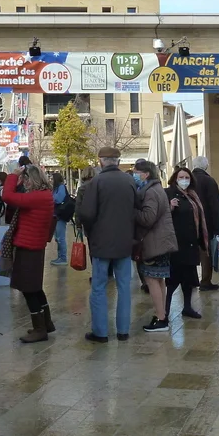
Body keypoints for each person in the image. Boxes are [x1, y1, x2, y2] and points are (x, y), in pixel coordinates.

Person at [77, 146, 137, 343]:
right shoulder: (129, 181)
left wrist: (92, 230)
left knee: (99, 287)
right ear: (118, 161)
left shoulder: (97, 182)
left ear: (101, 161)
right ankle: (123, 331)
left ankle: (101, 332)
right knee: (124, 287)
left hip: (101, 243)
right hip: (125, 242)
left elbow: (86, 214)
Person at [1, 164, 56, 343]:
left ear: (31, 180)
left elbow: (7, 196)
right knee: (36, 287)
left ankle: (40, 329)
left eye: (25, 179)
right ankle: (46, 323)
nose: (23, 183)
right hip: (34, 246)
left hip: (28, 247)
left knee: (28, 289)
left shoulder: (37, 197)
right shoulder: (45, 195)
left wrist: (11, 176)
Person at [133, 160, 177, 332]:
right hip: (161, 241)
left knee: (152, 280)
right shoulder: (157, 189)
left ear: (146, 174)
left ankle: (161, 319)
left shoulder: (151, 192)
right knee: (159, 280)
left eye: (137, 172)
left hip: (154, 242)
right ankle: (162, 314)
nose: (135, 175)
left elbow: (147, 218)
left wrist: (133, 211)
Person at [165, 167, 208, 320]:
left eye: (187, 177)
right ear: (175, 178)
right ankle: (164, 310)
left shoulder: (192, 195)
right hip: (177, 244)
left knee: (188, 278)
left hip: (191, 243)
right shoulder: (168, 193)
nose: (184, 180)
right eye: (181, 177)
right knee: (173, 279)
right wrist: (170, 207)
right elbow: (162, 216)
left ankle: (187, 307)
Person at [191, 156, 219, 290]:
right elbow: (215, 206)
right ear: (205, 166)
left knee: (190, 251)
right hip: (206, 222)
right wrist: (217, 227)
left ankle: (191, 280)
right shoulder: (209, 181)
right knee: (205, 252)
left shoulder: (186, 180)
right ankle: (205, 281)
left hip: (188, 222)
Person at [51, 172, 70, 266]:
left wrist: (50, 196)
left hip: (60, 215)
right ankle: (60, 256)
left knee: (60, 237)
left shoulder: (61, 187)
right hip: (56, 215)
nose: (51, 180)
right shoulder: (56, 188)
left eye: (52, 178)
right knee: (58, 238)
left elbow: (58, 199)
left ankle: (63, 258)